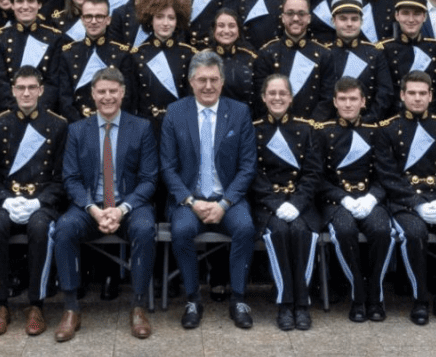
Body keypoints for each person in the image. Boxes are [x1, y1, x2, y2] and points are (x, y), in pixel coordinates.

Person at [51, 67, 159, 343]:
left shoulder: (142, 128)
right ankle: (71, 308)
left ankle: (138, 306)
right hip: (91, 206)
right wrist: (94, 209)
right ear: (92, 95)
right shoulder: (77, 130)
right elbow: (71, 178)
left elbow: (149, 179)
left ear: (123, 93)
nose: (107, 97)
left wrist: (121, 209)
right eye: (102, 92)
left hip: (129, 205)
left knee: (146, 229)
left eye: (113, 91)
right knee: (64, 228)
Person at [159, 50, 259, 330]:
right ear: (191, 81)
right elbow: (167, 167)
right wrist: (191, 201)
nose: (208, 86)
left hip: (227, 197)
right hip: (189, 199)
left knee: (245, 228)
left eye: (214, 79)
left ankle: (238, 299)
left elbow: (248, 166)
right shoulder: (175, 113)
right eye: (201, 79)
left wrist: (224, 203)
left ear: (222, 81)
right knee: (181, 231)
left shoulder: (239, 112)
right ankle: (193, 299)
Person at [0, 66, 70, 336]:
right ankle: (0, 304)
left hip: (41, 202)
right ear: (13, 91)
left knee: (41, 228)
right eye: (21, 88)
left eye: (32, 88)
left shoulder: (57, 125)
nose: (26, 93)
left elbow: (60, 178)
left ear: (41, 90)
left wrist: (39, 202)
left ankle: (36, 304)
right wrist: (4, 200)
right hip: (6, 199)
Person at [375, 70, 436, 325]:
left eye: (422, 94)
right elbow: (388, 176)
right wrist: (416, 203)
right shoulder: (387, 129)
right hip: (406, 203)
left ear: (430, 96)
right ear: (402, 95)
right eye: (412, 93)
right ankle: (420, 300)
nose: (417, 99)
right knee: (414, 234)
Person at [318, 75, 395, 323]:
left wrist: (373, 198)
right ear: (334, 102)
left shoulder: (376, 133)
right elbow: (317, 178)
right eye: (343, 99)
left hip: (370, 198)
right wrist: (342, 198)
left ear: (363, 102)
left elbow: (386, 175)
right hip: (338, 201)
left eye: (353, 99)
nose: (348, 104)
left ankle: (376, 295)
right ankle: (357, 295)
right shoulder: (323, 133)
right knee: (344, 231)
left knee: (382, 231)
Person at [252, 72, 323, 331]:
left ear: (291, 98)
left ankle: (302, 304)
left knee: (303, 233)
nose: (277, 98)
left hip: (300, 202)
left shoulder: (306, 130)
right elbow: (253, 174)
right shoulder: (255, 130)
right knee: (279, 232)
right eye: (272, 93)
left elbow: (313, 173)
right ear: (263, 97)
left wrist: (297, 202)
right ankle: (284, 304)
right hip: (268, 204)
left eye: (283, 93)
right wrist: (274, 203)